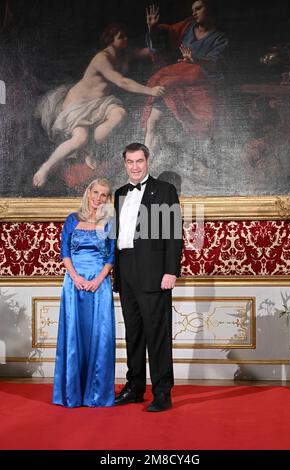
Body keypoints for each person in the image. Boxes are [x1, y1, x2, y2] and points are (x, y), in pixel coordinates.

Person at [33, 23, 165, 187]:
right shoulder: (102, 58)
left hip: (100, 103)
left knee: (119, 114)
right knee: (79, 139)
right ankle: (45, 168)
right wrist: (149, 90)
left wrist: (152, 29)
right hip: (78, 106)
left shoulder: (124, 54)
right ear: (110, 40)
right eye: (120, 36)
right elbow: (121, 81)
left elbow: (147, 52)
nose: (125, 38)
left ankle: (91, 148)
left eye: (125, 35)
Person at [113, 142, 182, 412]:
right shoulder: (120, 193)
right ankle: (135, 387)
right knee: (134, 334)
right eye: (130, 162)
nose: (135, 166)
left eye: (139, 161)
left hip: (155, 272)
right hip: (126, 269)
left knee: (158, 335)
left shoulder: (164, 190)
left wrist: (170, 271)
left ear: (147, 161)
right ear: (124, 164)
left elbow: (174, 233)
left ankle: (162, 393)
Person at [53, 178, 115, 407]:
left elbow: (111, 256)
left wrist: (99, 279)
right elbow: (65, 251)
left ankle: (96, 394)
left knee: (100, 337)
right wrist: (76, 277)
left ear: (108, 199)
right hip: (74, 283)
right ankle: (72, 393)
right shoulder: (72, 219)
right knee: (73, 336)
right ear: (88, 192)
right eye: (96, 193)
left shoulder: (110, 221)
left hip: (99, 285)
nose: (98, 199)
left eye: (104, 195)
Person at [143, 1, 228, 153]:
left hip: (198, 88)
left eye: (199, 8)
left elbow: (216, 64)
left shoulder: (220, 37)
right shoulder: (188, 28)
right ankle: (144, 170)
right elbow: (164, 42)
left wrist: (195, 60)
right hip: (173, 84)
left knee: (199, 133)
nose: (194, 13)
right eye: (193, 10)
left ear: (210, 8)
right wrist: (153, 29)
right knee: (152, 122)